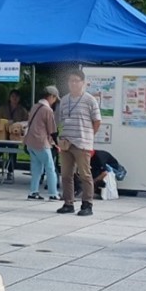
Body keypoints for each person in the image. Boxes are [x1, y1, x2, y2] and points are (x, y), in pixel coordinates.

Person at [57, 69, 102, 216]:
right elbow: (60, 120)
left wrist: (89, 135)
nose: (73, 83)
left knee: (85, 174)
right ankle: (68, 202)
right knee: (66, 174)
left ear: (83, 83)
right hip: (66, 142)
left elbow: (97, 121)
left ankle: (87, 204)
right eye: (71, 81)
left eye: (76, 80)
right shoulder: (64, 100)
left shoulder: (90, 100)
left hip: (82, 142)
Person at [25, 86, 60, 201]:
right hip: (41, 142)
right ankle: (53, 193)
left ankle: (33, 192)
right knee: (50, 168)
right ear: (51, 96)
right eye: (55, 98)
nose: (54, 101)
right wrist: (57, 143)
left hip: (30, 142)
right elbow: (52, 130)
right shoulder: (47, 110)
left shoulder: (35, 107)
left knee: (36, 169)